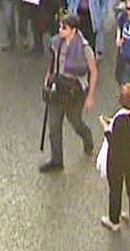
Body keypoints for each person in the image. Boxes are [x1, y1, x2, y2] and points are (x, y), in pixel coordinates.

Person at [40, 14, 98, 173]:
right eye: (60, 27)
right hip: (58, 87)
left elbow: (93, 71)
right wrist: (47, 81)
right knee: (54, 126)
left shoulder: (85, 48)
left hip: (75, 90)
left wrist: (91, 96)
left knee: (76, 122)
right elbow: (52, 64)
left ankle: (87, 138)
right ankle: (56, 160)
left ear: (74, 30)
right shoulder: (56, 43)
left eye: (64, 28)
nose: (60, 30)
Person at [100, 83, 130, 231]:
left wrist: (106, 127)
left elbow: (113, 141)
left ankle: (114, 220)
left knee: (116, 189)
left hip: (117, 161)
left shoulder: (120, 120)